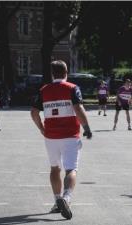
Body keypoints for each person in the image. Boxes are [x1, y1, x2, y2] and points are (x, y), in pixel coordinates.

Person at [31, 60, 92, 220]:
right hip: (70, 135)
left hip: (51, 137)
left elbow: (34, 112)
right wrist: (86, 128)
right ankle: (66, 198)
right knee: (71, 169)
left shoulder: (44, 90)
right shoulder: (72, 88)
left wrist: (42, 129)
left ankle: (57, 200)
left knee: (54, 168)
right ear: (67, 72)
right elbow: (78, 109)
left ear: (52, 74)